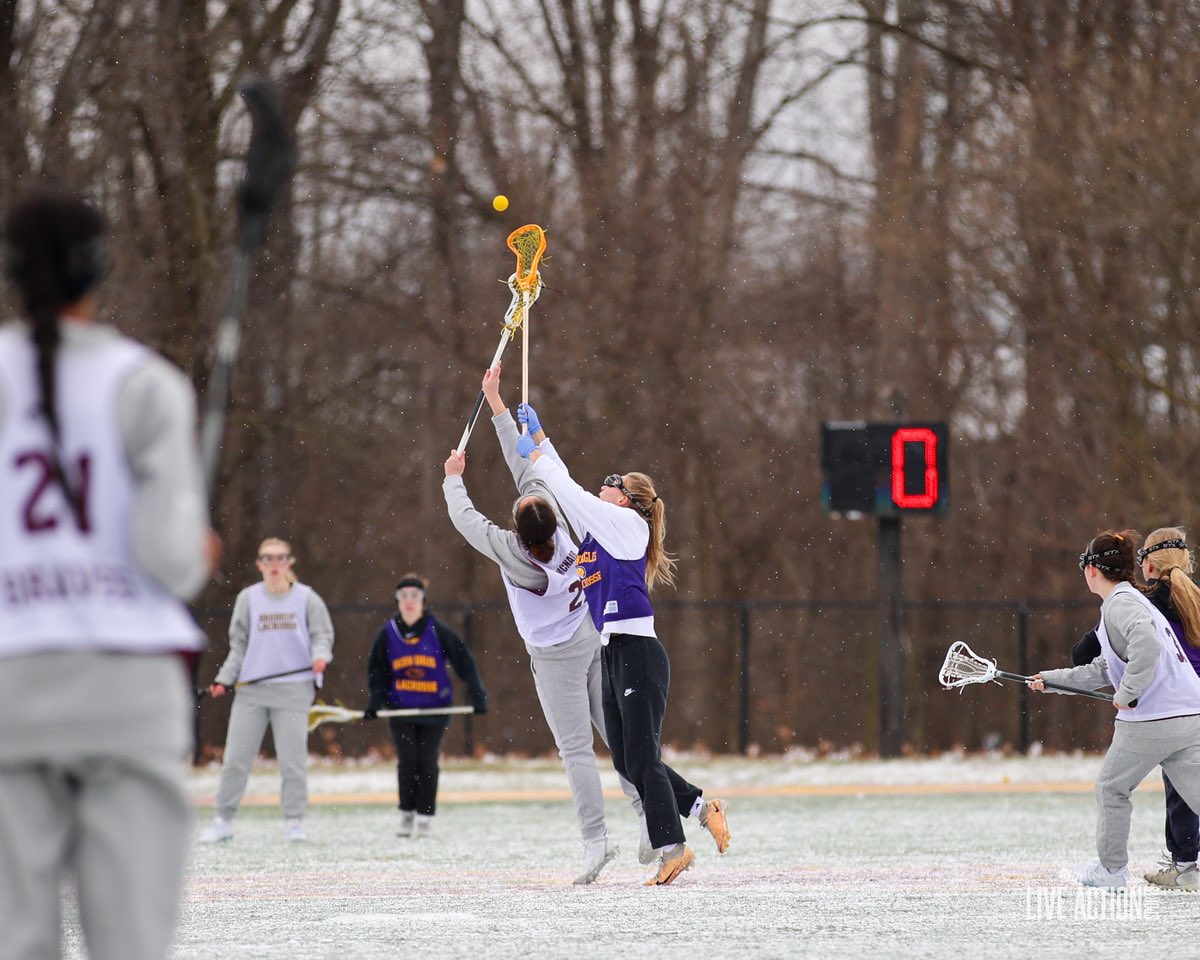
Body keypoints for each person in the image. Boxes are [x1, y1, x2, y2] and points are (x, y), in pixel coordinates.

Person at [0, 187, 214, 960]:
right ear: (99, 270)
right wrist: (200, 545)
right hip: (126, 695)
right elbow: (171, 559)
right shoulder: (146, 383)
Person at [441, 364, 646, 884]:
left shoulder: (515, 554)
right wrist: (497, 406)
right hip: (588, 634)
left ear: (519, 525)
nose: (526, 490)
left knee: (577, 749)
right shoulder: (568, 520)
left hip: (555, 654)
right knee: (618, 734)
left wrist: (453, 479)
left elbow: (467, 521)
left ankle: (596, 841)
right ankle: (647, 815)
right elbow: (522, 465)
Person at [514, 402, 730, 886]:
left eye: (611, 482)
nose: (601, 485)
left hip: (638, 653)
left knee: (643, 759)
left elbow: (566, 490)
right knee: (630, 760)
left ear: (627, 499)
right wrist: (541, 438)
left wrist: (537, 460)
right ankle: (700, 805)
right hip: (612, 653)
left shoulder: (628, 526)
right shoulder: (599, 529)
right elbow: (568, 491)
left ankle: (672, 848)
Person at [1030, 530, 1200, 889]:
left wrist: (1128, 693)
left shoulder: (1122, 604)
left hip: (1154, 719)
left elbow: (1147, 646)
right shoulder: (1128, 601)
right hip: (1190, 714)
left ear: (1093, 570)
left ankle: (1110, 873)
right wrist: (1052, 680)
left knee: (1111, 788)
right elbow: (1103, 669)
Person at [200, 537, 334, 843]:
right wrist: (224, 678)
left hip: (293, 692)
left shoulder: (307, 599)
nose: (274, 565)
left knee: (292, 761)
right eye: (268, 559)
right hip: (252, 692)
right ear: (260, 565)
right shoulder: (248, 599)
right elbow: (239, 646)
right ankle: (224, 819)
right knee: (236, 758)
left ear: (289, 563)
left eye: (280, 558)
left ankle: (294, 821)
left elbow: (322, 636)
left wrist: (320, 657)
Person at [363, 573, 487, 837]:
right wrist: (376, 700)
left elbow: (464, 661)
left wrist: (477, 694)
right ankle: (406, 813)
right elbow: (377, 671)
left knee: (427, 762)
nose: (410, 601)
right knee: (408, 761)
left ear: (423, 600)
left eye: (415, 596)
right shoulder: (387, 634)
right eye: (404, 596)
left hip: (435, 707)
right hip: (401, 707)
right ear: (397, 601)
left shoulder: (438, 630)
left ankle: (425, 817)